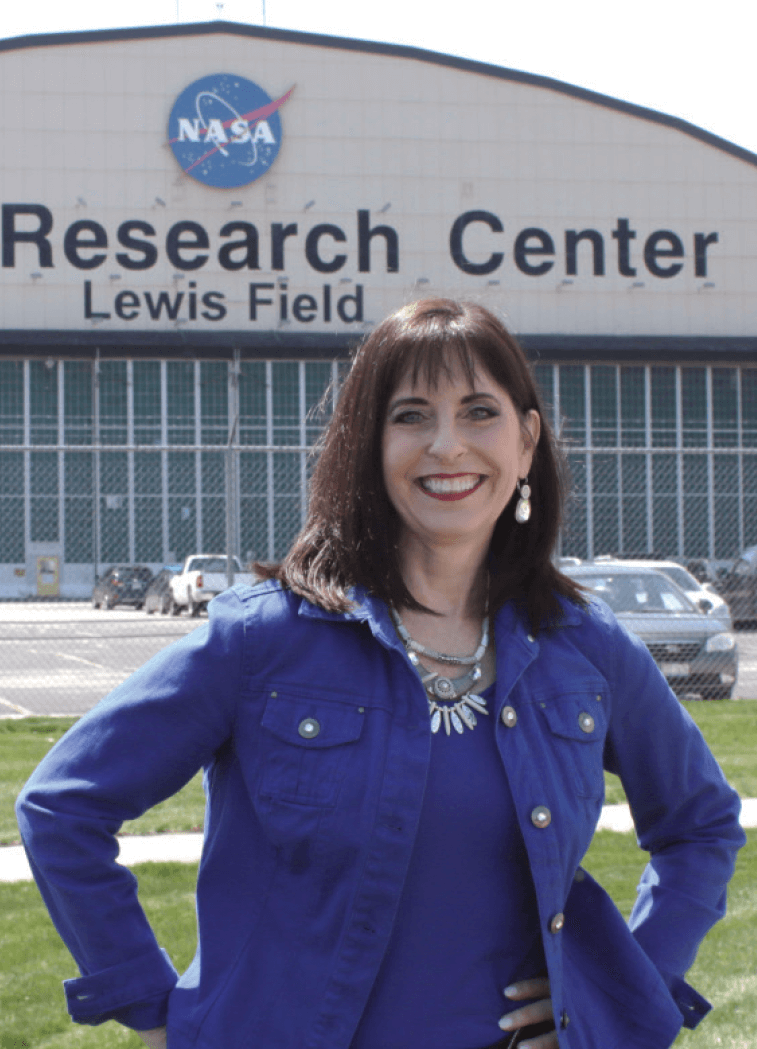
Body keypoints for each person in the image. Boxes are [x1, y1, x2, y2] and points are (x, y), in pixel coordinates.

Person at [17, 298, 745, 1049]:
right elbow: (63, 807)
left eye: (477, 412)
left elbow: (700, 824)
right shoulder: (263, 641)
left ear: (525, 443)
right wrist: (157, 1006)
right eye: (409, 416)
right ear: (367, 445)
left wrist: (621, 997)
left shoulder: (584, 647)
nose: (445, 445)